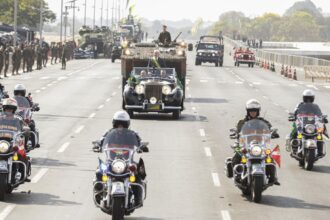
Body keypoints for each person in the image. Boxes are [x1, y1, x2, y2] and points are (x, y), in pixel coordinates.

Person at [93, 111, 146, 205]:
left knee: (137, 173)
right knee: (99, 171)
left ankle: (138, 199)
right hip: (111, 161)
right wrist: (97, 145)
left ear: (127, 125)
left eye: (123, 125)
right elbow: (101, 142)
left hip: (127, 161)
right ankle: (99, 194)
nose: (120, 127)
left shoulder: (133, 134)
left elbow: (139, 142)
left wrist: (142, 146)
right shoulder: (108, 133)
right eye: (118, 124)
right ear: (114, 124)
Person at [228, 99, 280, 185]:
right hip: (245, 145)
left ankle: (272, 177)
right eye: (251, 111)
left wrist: (273, 132)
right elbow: (238, 130)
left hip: (260, 145)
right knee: (237, 156)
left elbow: (269, 128)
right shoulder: (242, 122)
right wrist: (236, 133)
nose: (253, 113)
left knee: (269, 157)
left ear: (258, 112)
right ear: (248, 112)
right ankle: (237, 174)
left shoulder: (263, 121)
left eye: (255, 111)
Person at [0, 98, 31, 182]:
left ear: (14, 110)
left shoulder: (18, 119)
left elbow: (25, 127)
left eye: (10, 109)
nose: (8, 111)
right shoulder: (0, 117)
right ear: (4, 109)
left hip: (13, 141)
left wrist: (26, 130)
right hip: (2, 141)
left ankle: (23, 174)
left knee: (22, 153)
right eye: (7, 108)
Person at [290, 89, 328, 156]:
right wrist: (293, 116)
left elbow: (319, 114)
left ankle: (320, 151)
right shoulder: (299, 105)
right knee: (294, 132)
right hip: (301, 123)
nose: (308, 100)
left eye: (310, 98)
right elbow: (295, 113)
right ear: (304, 98)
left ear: (312, 98)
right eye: (307, 98)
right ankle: (294, 148)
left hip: (312, 125)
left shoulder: (315, 106)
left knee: (319, 135)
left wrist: (323, 118)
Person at [13, 84, 40, 148]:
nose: (19, 94)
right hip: (13, 117)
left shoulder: (27, 99)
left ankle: (34, 142)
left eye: (21, 92)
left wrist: (34, 107)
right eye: (17, 92)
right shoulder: (12, 99)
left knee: (31, 125)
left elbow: (32, 104)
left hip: (24, 117)